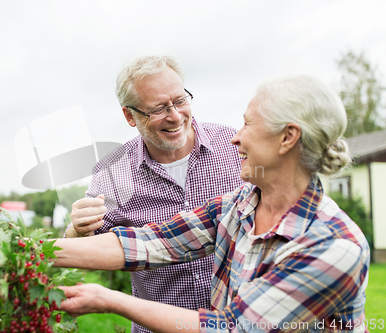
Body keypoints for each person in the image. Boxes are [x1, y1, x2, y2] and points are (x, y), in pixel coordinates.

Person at [54, 75, 370, 333]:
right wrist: (29, 251)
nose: (236, 138)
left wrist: (112, 300)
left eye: (248, 125)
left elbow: (235, 328)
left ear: (287, 138)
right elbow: (149, 243)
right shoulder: (238, 207)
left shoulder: (334, 245)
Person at [64, 56, 243, 332]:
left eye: (181, 100)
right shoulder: (112, 173)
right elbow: (91, 246)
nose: (174, 116)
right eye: (158, 108)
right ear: (129, 116)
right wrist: (77, 231)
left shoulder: (234, 148)